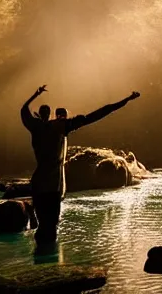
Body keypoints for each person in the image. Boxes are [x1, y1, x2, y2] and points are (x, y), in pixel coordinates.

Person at [21, 85, 140, 254]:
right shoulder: (61, 127)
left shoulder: (35, 128)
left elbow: (24, 110)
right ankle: (50, 266)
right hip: (53, 185)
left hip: (39, 184)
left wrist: (35, 95)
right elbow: (97, 114)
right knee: (51, 227)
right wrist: (126, 100)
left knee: (43, 228)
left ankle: (41, 261)